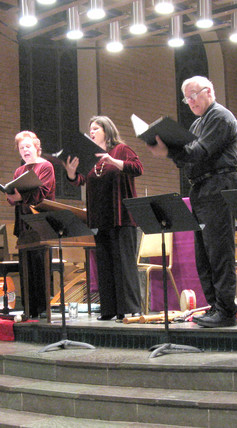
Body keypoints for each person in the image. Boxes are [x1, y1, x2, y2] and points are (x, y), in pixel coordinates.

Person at [148, 76, 237, 328]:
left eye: (194, 95)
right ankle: (215, 307)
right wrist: (171, 151)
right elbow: (187, 158)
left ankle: (226, 311)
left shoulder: (219, 116)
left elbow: (199, 152)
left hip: (219, 186)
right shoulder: (200, 122)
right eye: (186, 98)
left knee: (219, 251)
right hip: (202, 187)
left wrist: (169, 150)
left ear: (209, 91)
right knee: (204, 253)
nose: (190, 101)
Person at [64, 116, 143, 321]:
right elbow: (82, 179)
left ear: (107, 130)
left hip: (121, 216)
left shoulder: (121, 149)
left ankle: (130, 308)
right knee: (105, 263)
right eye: (90, 129)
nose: (92, 132)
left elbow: (137, 168)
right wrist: (72, 174)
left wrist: (114, 161)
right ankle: (109, 309)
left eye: (96, 128)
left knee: (124, 263)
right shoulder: (89, 156)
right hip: (100, 217)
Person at [7, 130, 56, 318]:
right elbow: (15, 197)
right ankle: (29, 309)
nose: (25, 150)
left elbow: (44, 191)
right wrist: (11, 197)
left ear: (36, 147)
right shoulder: (19, 171)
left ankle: (43, 309)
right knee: (25, 266)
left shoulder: (46, 166)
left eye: (28, 146)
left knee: (40, 266)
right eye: (21, 147)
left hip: (41, 222)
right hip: (24, 224)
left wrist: (21, 197)